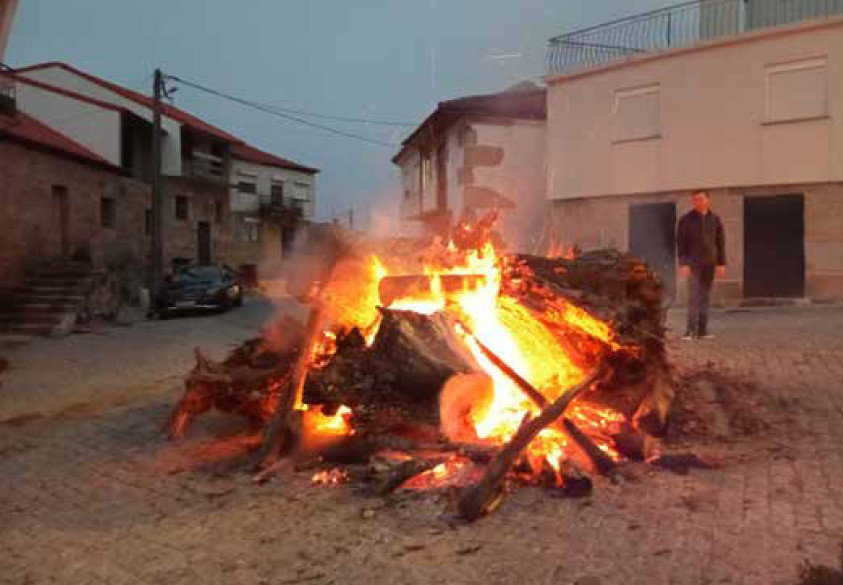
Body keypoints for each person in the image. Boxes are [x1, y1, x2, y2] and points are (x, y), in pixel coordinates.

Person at [676, 190, 726, 340]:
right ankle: (690, 330)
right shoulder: (685, 220)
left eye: (701, 199)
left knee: (705, 296)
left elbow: (720, 242)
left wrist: (721, 263)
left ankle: (703, 330)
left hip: (709, 263)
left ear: (707, 200)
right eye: (695, 200)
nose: (698, 202)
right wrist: (683, 264)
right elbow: (681, 243)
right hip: (692, 264)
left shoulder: (715, 219)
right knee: (693, 296)